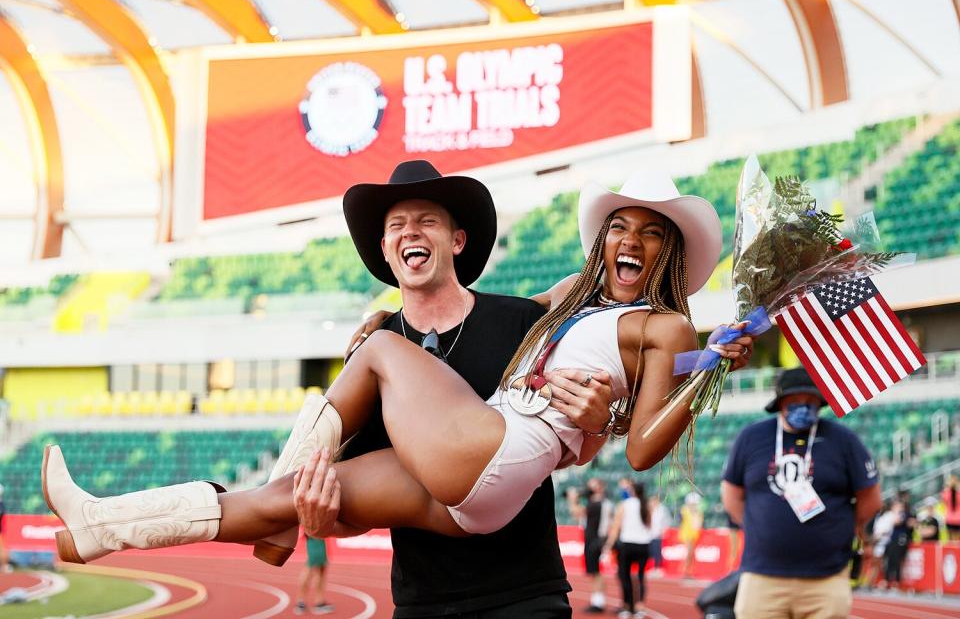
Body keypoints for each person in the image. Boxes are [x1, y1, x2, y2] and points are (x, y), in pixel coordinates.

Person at [43, 163, 756, 615]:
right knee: (281, 496)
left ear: (458, 241)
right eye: (617, 227)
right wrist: (316, 515)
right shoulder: (564, 303)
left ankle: (279, 529)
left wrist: (681, 382)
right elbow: (350, 507)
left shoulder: (648, 326)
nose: (629, 241)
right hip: (444, 543)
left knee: (378, 352)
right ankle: (99, 528)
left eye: (650, 233)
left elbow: (630, 446)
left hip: (517, 566)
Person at [721, 367, 882, 619]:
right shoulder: (751, 438)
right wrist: (761, 527)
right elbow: (731, 496)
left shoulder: (842, 439)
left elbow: (871, 499)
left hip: (826, 578)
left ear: (820, 402)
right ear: (780, 402)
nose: (803, 406)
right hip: (762, 576)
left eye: (810, 401)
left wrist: (839, 527)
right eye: (794, 401)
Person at [605, 481, 653, 619]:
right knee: (641, 577)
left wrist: (608, 544)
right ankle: (640, 607)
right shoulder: (646, 505)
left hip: (627, 544)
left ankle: (627, 606)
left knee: (624, 576)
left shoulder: (624, 505)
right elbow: (649, 525)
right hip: (643, 545)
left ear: (632, 491)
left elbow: (616, 527)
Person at [568, 478, 613, 613]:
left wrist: (573, 500)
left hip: (595, 540)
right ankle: (598, 600)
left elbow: (577, 512)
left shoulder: (597, 503)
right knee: (595, 572)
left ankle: (598, 602)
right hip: (595, 539)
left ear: (600, 487)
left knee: (596, 571)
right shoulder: (599, 503)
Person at [295, 536, 334, 615]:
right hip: (316, 537)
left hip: (317, 538)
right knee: (312, 569)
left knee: (319, 569)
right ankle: (313, 603)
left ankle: (311, 602)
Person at [678, 492, 703, 578]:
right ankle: (685, 570)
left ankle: (688, 571)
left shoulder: (697, 512)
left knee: (691, 553)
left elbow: (698, 524)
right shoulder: (684, 509)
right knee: (690, 552)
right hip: (687, 534)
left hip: (694, 534)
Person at [647, 494, 670, 577]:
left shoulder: (662, 510)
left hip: (658, 535)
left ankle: (658, 568)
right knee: (651, 552)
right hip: (650, 534)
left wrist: (663, 530)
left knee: (657, 552)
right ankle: (653, 568)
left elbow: (666, 521)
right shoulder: (650, 510)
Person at [942, 474, 960, 540]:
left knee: (951, 540)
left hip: (949, 519)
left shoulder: (946, 493)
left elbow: (944, 501)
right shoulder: (958, 493)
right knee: (957, 540)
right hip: (957, 519)